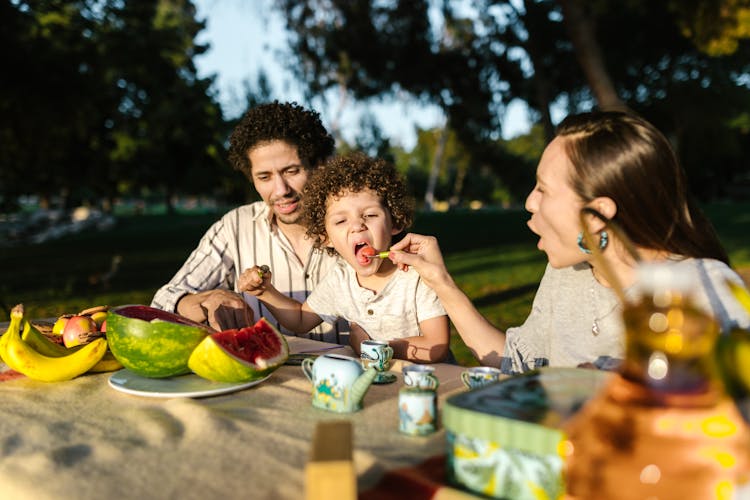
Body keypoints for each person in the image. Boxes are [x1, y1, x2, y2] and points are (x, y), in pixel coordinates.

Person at [388, 110, 750, 372]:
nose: (530, 202)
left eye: (543, 189)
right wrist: (441, 282)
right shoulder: (569, 272)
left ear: (596, 218)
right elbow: (515, 363)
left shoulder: (702, 291)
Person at [151, 101, 348, 343]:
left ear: (318, 166)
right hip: (264, 377)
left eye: (291, 171)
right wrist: (206, 300)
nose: (280, 190)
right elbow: (162, 301)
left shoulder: (360, 223)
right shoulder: (234, 227)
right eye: (264, 177)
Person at [239, 153, 451, 363]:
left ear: (394, 222)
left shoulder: (416, 274)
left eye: (370, 215)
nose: (357, 226)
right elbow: (301, 320)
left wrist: (370, 349)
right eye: (341, 221)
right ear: (325, 237)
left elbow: (436, 346)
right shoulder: (341, 279)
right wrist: (265, 291)